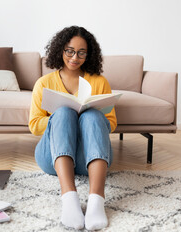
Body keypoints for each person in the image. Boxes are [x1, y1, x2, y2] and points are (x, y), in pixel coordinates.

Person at [28, 25, 117, 230]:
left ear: (89, 54)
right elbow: (34, 125)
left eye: (81, 52)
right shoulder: (44, 83)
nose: (74, 57)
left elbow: (111, 122)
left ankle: (96, 200)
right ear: (60, 50)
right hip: (53, 157)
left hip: (90, 156)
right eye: (69, 50)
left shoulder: (99, 81)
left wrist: (84, 117)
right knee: (64, 113)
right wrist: (60, 119)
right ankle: (69, 198)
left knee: (93, 115)